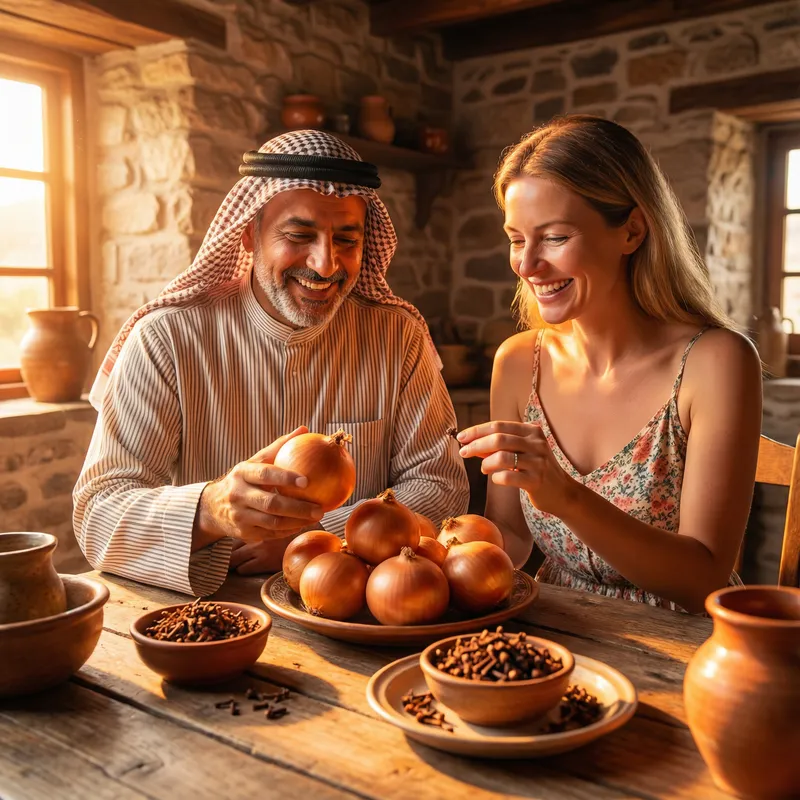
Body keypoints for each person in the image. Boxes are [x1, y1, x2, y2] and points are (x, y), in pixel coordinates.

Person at [74, 130, 468, 596]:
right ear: (248, 232)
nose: (325, 264)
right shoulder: (166, 338)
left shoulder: (398, 337)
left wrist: (318, 538)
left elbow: (441, 487)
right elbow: (99, 514)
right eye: (299, 235)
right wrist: (211, 510)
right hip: (217, 616)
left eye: (346, 238)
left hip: (362, 619)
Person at [456, 115, 762, 614]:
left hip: (680, 645)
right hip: (560, 630)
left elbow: (704, 577)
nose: (526, 265)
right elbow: (509, 531)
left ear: (632, 231)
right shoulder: (517, 362)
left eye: (554, 238)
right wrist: (431, 558)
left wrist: (567, 497)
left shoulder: (716, 362)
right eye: (516, 238)